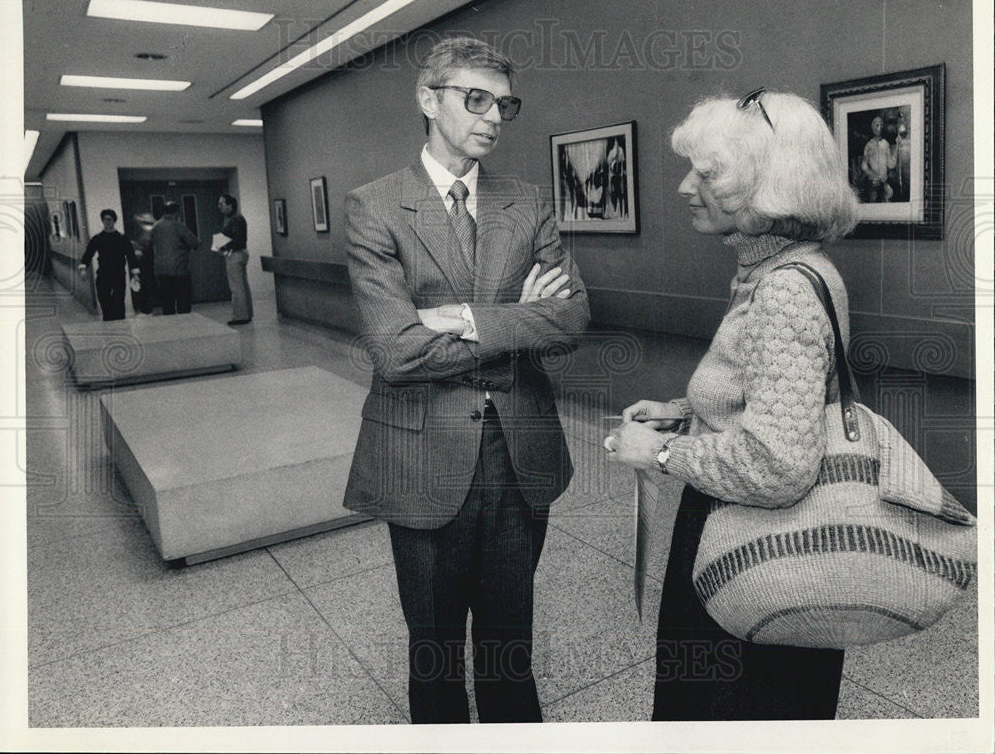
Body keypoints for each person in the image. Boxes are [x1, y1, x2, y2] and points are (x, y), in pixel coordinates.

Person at [343, 37, 590, 724]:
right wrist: (517, 321)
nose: (491, 118)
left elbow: (571, 320)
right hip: (420, 456)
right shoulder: (376, 207)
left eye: (503, 105)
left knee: (511, 645)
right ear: (429, 100)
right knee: (436, 651)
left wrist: (466, 320)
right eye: (474, 99)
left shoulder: (528, 202)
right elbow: (394, 352)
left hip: (520, 454)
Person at [606, 90, 858, 720]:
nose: (687, 187)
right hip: (752, 541)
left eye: (708, 172)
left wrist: (662, 450)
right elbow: (772, 403)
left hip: (750, 551)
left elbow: (778, 464)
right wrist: (685, 414)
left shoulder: (783, 292)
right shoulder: (790, 268)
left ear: (770, 183)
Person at [78, 209, 140, 321]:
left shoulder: (122, 238)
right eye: (105, 220)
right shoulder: (97, 238)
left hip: (119, 274)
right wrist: (83, 268)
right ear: (102, 221)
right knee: (105, 302)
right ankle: (109, 326)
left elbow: (131, 256)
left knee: (119, 302)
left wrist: (135, 273)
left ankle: (121, 327)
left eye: (110, 220)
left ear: (114, 221)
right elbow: (88, 254)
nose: (108, 222)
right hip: (103, 275)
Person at [148, 201, 199, 315]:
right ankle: (184, 328)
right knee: (183, 303)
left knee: (167, 303)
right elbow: (194, 243)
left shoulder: (155, 226)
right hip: (179, 270)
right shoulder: (178, 225)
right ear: (177, 212)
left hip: (161, 271)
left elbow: (148, 244)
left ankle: (170, 329)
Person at [215, 194, 253, 325]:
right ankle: (246, 313)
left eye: (222, 203)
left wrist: (222, 246)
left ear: (230, 205)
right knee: (242, 284)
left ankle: (240, 316)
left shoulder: (235, 219)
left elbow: (238, 240)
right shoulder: (233, 218)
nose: (219, 207)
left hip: (235, 254)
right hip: (239, 253)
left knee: (236, 286)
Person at [860, 115, 895, 202]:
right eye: (877, 125)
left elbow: (891, 165)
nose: (880, 127)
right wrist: (873, 175)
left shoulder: (886, 144)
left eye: (881, 125)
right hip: (873, 183)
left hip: (885, 183)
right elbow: (864, 166)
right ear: (872, 127)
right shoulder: (868, 145)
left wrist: (897, 147)